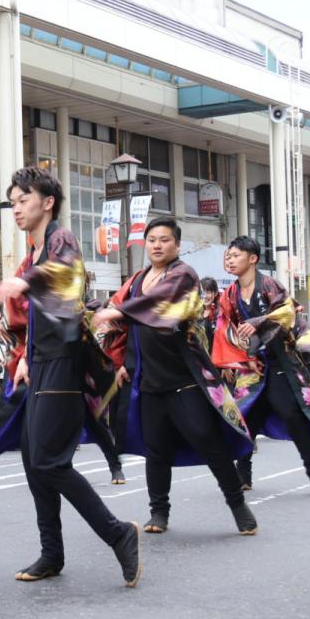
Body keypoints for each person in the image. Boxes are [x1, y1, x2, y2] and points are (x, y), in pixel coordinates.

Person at [0, 166, 141, 587]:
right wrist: (25, 354)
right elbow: (38, 317)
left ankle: (118, 533)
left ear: (47, 202)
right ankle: (52, 553)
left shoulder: (59, 239)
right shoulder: (33, 251)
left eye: (23, 199)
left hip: (64, 362)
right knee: (34, 461)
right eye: (12, 201)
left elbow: (66, 278)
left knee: (49, 460)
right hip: (42, 362)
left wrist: (22, 281)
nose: (16, 207)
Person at [94, 218, 256, 536]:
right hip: (149, 380)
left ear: (177, 245)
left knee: (210, 443)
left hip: (186, 378)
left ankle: (238, 505)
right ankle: (159, 512)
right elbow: (124, 321)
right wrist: (125, 360)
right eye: (152, 239)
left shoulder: (183, 276)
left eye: (164, 239)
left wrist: (118, 312)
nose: (157, 244)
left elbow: (153, 305)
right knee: (156, 449)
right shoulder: (138, 279)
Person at [213, 236, 310, 496]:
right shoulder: (230, 294)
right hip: (250, 365)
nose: (229, 260)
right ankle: (243, 476)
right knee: (246, 419)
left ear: (252, 259)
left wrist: (257, 321)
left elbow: (287, 314)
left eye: (235, 255)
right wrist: (240, 359)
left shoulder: (269, 285)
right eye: (228, 255)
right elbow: (225, 328)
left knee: (292, 415)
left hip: (280, 361)